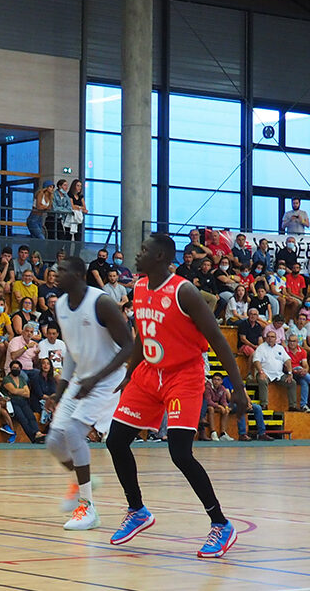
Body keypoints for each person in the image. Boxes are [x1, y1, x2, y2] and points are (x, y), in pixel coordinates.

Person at [106, 233, 247, 558]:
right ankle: (137, 510)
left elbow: (218, 340)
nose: (137, 254)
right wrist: (130, 372)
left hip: (183, 375)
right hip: (148, 373)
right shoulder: (139, 287)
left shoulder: (184, 292)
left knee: (180, 454)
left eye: (143, 250)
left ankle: (221, 524)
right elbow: (143, 331)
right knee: (115, 440)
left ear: (159, 258)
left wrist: (238, 388)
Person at [46, 255, 135, 528]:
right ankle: (83, 481)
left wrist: (95, 378)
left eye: (61, 270)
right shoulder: (60, 304)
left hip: (108, 380)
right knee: (54, 441)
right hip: (82, 379)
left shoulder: (101, 303)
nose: (55, 273)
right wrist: (59, 391)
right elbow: (72, 352)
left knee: (73, 431)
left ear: (78, 274)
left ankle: (88, 508)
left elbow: (129, 346)